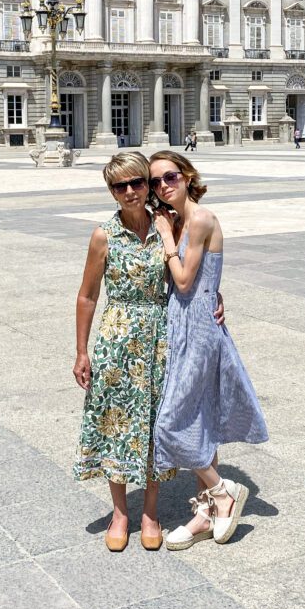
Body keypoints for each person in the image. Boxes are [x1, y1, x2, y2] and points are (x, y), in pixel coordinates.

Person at [149, 151, 268, 550]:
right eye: (155, 182)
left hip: (197, 328)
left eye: (169, 176)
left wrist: (166, 238)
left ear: (186, 176)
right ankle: (206, 511)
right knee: (196, 416)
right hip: (183, 322)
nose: (163, 185)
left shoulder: (197, 218)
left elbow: (183, 281)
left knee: (170, 421)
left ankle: (222, 491)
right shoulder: (179, 218)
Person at [73, 152, 177, 552]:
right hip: (117, 338)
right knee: (115, 421)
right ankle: (120, 512)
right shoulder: (104, 235)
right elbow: (87, 296)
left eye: (137, 182)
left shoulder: (167, 225)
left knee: (154, 422)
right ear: (111, 192)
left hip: (158, 336)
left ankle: (150, 510)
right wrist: (82, 352)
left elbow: (190, 271)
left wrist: (214, 295)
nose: (130, 191)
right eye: (120, 186)